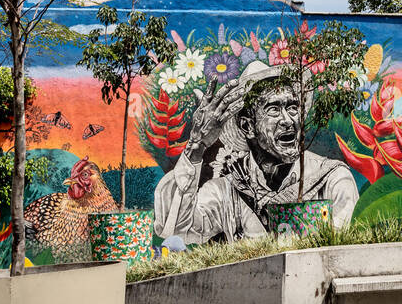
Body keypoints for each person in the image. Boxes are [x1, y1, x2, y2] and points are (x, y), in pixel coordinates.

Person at [154, 60, 359, 244]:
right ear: (247, 127)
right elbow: (178, 229)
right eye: (274, 109)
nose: (288, 120)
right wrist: (196, 147)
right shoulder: (228, 189)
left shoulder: (332, 180)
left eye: (293, 108)